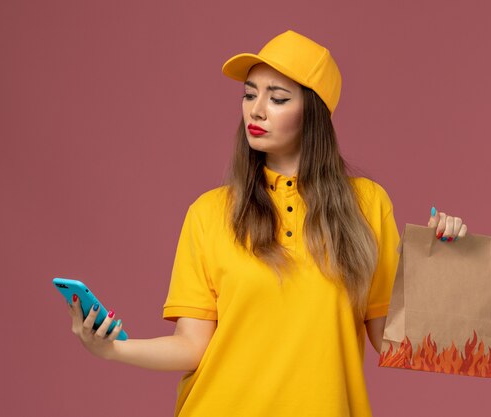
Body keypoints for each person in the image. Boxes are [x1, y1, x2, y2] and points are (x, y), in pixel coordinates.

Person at [67, 29, 468, 416]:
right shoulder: (209, 213)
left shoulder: (367, 205)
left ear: (313, 113)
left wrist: (443, 266)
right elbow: (191, 346)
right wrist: (111, 349)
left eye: (277, 98)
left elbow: (392, 341)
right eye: (249, 94)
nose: (255, 110)